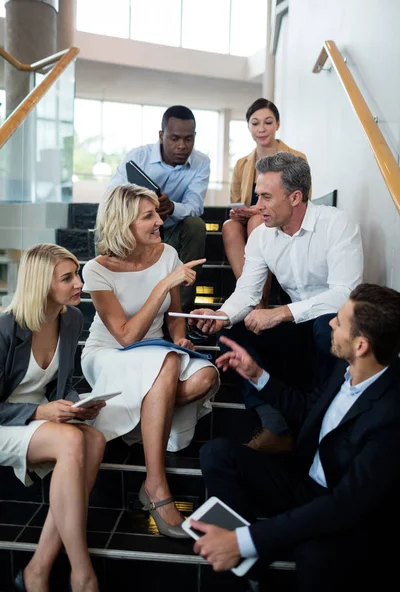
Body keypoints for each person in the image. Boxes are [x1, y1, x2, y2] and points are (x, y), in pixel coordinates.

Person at [195, 284, 400, 592]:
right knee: (217, 454)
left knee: (315, 557)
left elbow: (344, 504)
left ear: (361, 345)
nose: (330, 322)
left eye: (340, 322)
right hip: (304, 480)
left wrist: (245, 540)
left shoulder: (391, 414)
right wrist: (257, 375)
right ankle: (248, 564)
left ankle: (244, 548)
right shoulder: (344, 367)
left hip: (343, 510)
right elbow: (308, 409)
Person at [190, 152, 363, 453]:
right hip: (296, 330)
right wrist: (220, 315)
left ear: (295, 197)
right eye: (258, 196)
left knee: (326, 328)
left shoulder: (337, 224)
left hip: (332, 327)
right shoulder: (262, 236)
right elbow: (247, 292)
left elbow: (343, 293)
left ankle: (320, 423)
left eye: (267, 197)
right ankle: (275, 425)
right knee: (231, 333)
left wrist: (280, 312)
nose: (258, 206)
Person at [81, 184, 219, 539]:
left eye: (157, 213)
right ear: (123, 223)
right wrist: (161, 287)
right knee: (168, 362)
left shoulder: (167, 253)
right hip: (110, 352)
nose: (160, 220)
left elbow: (173, 314)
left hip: (157, 349)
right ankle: (155, 485)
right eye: (148, 216)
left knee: (205, 376)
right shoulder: (97, 269)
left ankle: (141, 411)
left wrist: (179, 337)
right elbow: (126, 335)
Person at [0, 244, 106, 592]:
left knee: (95, 437)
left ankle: (37, 570)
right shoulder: (5, 329)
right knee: (73, 439)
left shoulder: (71, 317)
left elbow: (63, 383)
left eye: (76, 274)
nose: (79, 283)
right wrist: (39, 411)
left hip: (37, 418)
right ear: (41, 285)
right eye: (68, 278)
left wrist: (78, 404)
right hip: (7, 421)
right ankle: (82, 573)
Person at [108, 105, 210, 317]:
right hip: (137, 233)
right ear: (161, 135)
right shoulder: (138, 157)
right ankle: (118, 309)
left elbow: (195, 206)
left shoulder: (201, 163)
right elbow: (112, 197)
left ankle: (180, 314)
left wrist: (172, 207)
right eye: (174, 138)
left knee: (196, 225)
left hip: (174, 232)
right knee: (110, 225)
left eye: (188, 139)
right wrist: (144, 208)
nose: (182, 145)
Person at [223, 98, 309, 286]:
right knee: (229, 225)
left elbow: (302, 201)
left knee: (257, 221)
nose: (261, 128)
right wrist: (238, 213)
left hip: (281, 221)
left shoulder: (297, 158)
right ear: (248, 127)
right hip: (251, 222)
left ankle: (258, 299)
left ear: (277, 124)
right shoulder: (241, 164)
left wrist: (259, 211)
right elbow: (236, 202)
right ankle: (253, 299)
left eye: (268, 122)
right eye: (255, 123)